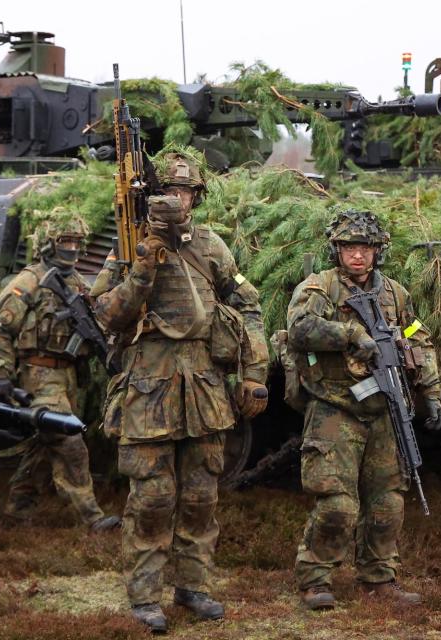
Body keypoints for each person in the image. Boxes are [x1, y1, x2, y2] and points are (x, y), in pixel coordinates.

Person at [95, 178, 268, 632]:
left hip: (205, 387)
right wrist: (144, 266)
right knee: (152, 498)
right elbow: (108, 315)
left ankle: (193, 586)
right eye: (168, 189)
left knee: (200, 497)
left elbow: (248, 306)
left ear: (197, 197)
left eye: (186, 191)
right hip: (148, 385)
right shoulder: (130, 245)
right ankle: (145, 596)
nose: (177, 198)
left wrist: (254, 373)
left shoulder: (211, 245)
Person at [287, 209, 441, 610]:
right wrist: (351, 334)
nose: (357, 256)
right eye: (349, 247)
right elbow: (301, 330)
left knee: (388, 501)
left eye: (365, 248)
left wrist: (432, 391)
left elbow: (417, 338)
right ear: (336, 250)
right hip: (335, 406)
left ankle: (379, 577)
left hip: (386, 406)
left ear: (378, 251)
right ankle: (315, 579)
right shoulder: (318, 288)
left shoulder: (395, 294)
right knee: (337, 503)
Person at [0, 209, 120, 532]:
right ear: (49, 243)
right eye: (65, 241)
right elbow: (0, 329)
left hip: (68, 376)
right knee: (68, 439)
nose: (72, 249)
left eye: (78, 242)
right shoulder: (29, 281)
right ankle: (90, 516)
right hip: (39, 374)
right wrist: (2, 375)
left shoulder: (74, 281)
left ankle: (18, 508)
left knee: (46, 441)